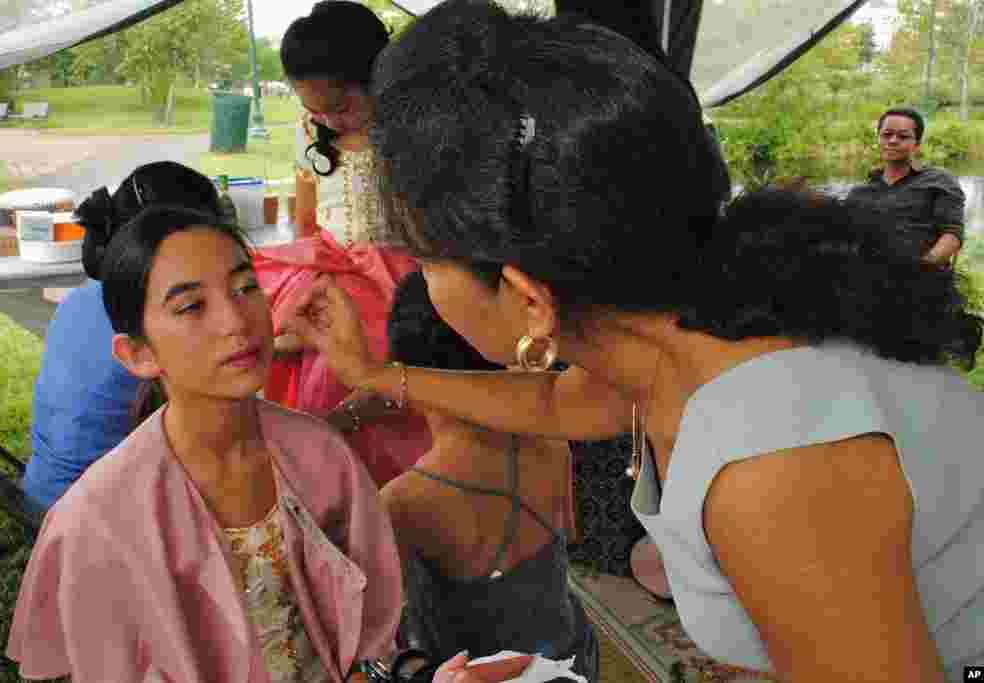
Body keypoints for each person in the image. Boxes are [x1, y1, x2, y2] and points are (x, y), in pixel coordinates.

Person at [282, 2, 984, 681]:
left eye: (425, 265)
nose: (418, 282)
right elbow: (560, 402)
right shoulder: (692, 335)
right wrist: (374, 374)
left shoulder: (769, 464)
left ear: (528, 298)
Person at [7, 206, 404, 683]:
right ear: (138, 354)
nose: (236, 320)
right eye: (192, 306)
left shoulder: (320, 455)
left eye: (245, 287)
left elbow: (369, 628)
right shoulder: (97, 521)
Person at [380, 271, 598, 682]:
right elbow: (570, 536)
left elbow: (378, 631)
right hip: (571, 658)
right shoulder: (554, 441)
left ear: (401, 373)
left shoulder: (405, 501)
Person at [254, 0, 430, 486]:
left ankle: (401, 489)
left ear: (380, 79)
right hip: (332, 272)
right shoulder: (312, 133)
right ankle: (333, 483)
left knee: (388, 374)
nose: (328, 121)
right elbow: (306, 220)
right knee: (313, 366)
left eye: (342, 107)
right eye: (314, 111)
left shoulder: (409, 132)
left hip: (401, 277)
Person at [0, 162, 220, 515]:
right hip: (94, 517)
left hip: (47, 493)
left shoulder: (81, 298)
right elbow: (216, 434)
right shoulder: (158, 318)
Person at [845, 107, 966, 266]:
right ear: (879, 139)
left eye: (903, 136)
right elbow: (846, 239)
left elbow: (952, 235)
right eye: (887, 135)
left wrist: (924, 267)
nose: (893, 140)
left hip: (925, 280)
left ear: (917, 144)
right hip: (868, 280)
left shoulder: (939, 181)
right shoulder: (859, 193)